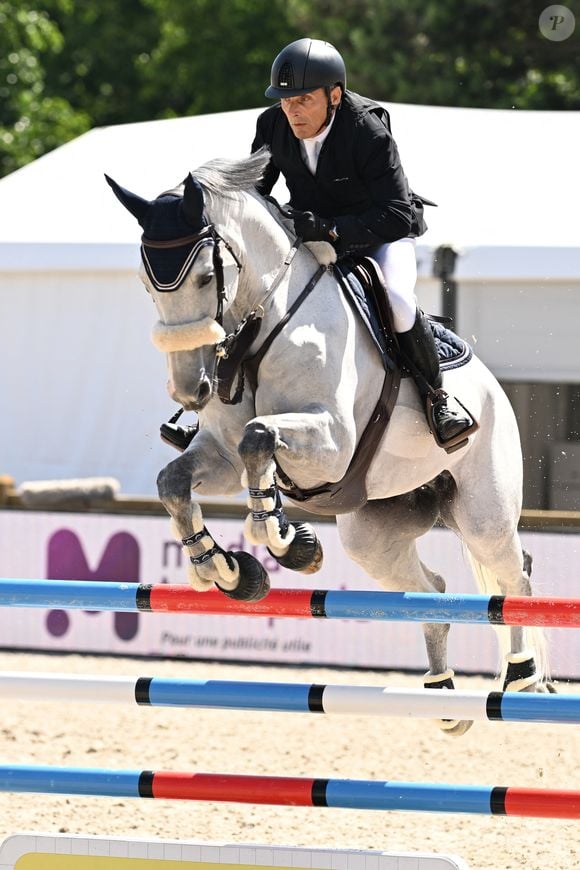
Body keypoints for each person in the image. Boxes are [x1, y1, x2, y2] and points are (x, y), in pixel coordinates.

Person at [164, 37, 472, 453]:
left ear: (335, 95)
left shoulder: (367, 131)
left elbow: (397, 213)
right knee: (252, 299)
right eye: (286, 100)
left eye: (304, 100)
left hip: (379, 235)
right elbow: (256, 193)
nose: (292, 111)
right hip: (311, 235)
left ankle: (437, 399)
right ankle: (212, 421)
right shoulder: (273, 125)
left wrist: (331, 230)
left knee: (397, 298)